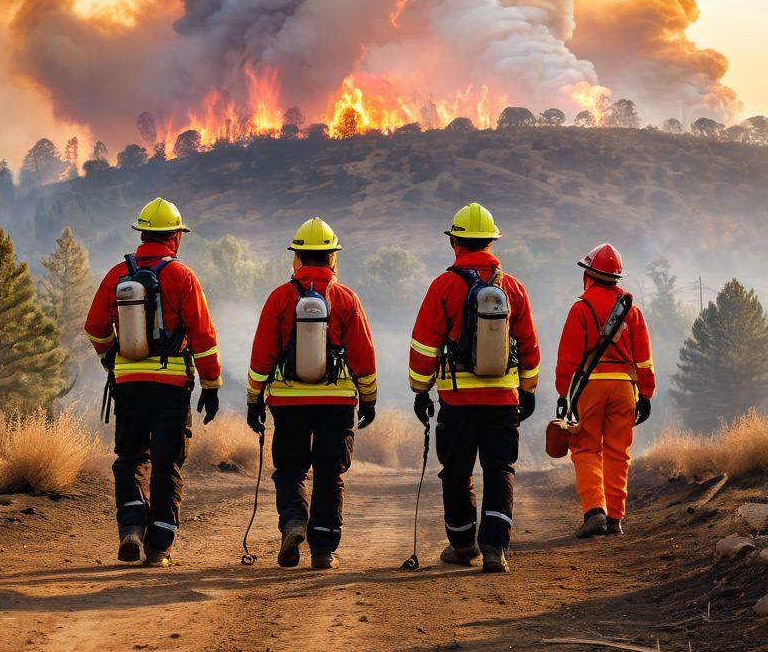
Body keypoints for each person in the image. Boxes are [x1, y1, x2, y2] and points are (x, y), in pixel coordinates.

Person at [84, 197, 221, 567]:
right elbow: (203, 337)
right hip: (171, 386)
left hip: (128, 383)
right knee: (166, 463)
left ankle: (130, 527)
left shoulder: (117, 275)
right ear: (175, 237)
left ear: (143, 233)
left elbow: (94, 326)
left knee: (130, 457)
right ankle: (159, 547)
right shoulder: (182, 276)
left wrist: (110, 356)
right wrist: (211, 385)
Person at [408, 202, 540, 574]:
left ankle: (464, 545)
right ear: (491, 244)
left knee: (457, 470)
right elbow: (528, 344)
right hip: (503, 401)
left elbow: (424, 345)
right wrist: (528, 389)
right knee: (500, 469)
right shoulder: (513, 287)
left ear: (456, 243)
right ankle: (495, 548)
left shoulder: (444, 286)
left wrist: (421, 390)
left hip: (457, 400)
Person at [245, 217, 377, 571]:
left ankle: (293, 521)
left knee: (290, 469)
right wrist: (369, 398)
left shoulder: (279, 298)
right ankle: (323, 551)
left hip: (288, 404)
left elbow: (262, 355)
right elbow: (363, 355)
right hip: (336, 404)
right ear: (332, 258)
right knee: (329, 473)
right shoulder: (346, 299)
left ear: (297, 259)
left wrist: (254, 399)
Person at [555, 244, 655, 538]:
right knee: (618, 453)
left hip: (590, 388)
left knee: (586, 448)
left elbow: (568, 359)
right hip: (625, 388)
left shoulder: (581, 307)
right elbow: (645, 359)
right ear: (616, 277)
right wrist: (646, 394)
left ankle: (594, 512)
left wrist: (564, 393)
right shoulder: (632, 309)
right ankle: (615, 519)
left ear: (589, 273)